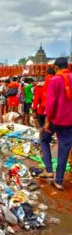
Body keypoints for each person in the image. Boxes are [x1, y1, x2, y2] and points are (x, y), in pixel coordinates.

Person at [40, 58, 72, 190]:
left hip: (55, 119)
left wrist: (47, 122)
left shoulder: (55, 79)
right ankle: (58, 181)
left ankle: (48, 170)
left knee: (43, 139)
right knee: (64, 150)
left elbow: (51, 102)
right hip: (69, 120)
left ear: (57, 68)